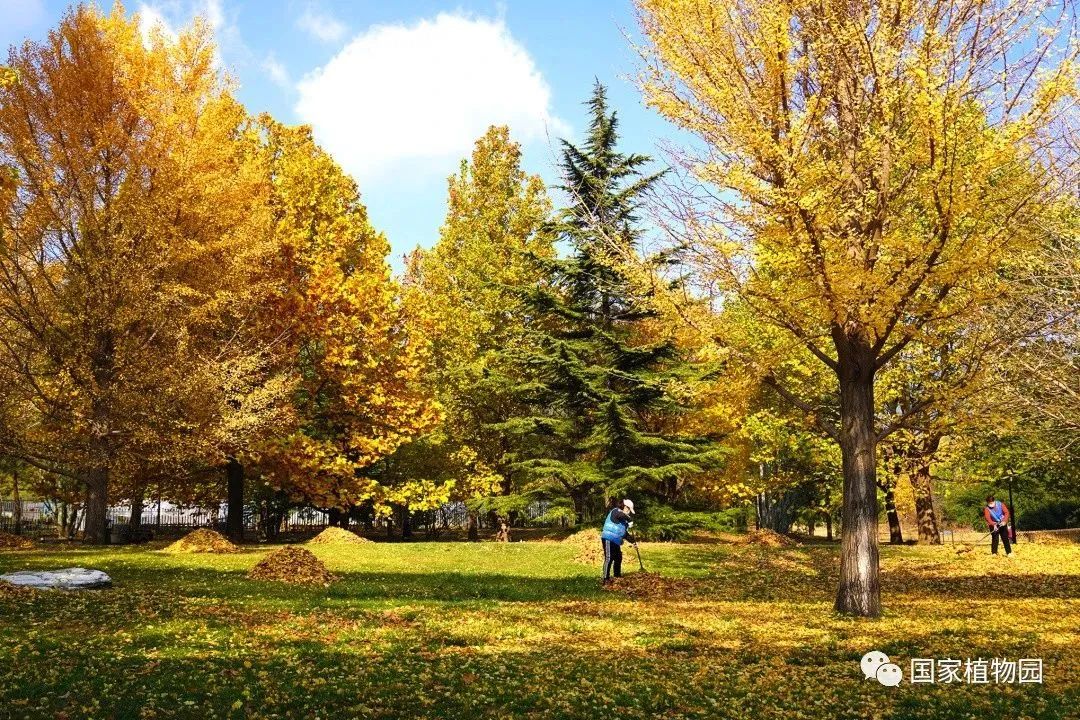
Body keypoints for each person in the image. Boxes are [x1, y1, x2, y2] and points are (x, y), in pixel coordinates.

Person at [600, 499, 637, 583]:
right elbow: (621, 515)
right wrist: (630, 520)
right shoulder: (616, 511)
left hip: (616, 541)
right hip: (608, 538)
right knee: (609, 558)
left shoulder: (623, 521)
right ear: (625, 507)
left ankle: (617, 576)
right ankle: (605, 578)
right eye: (629, 510)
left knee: (618, 557)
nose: (629, 512)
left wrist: (633, 541)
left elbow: (624, 534)